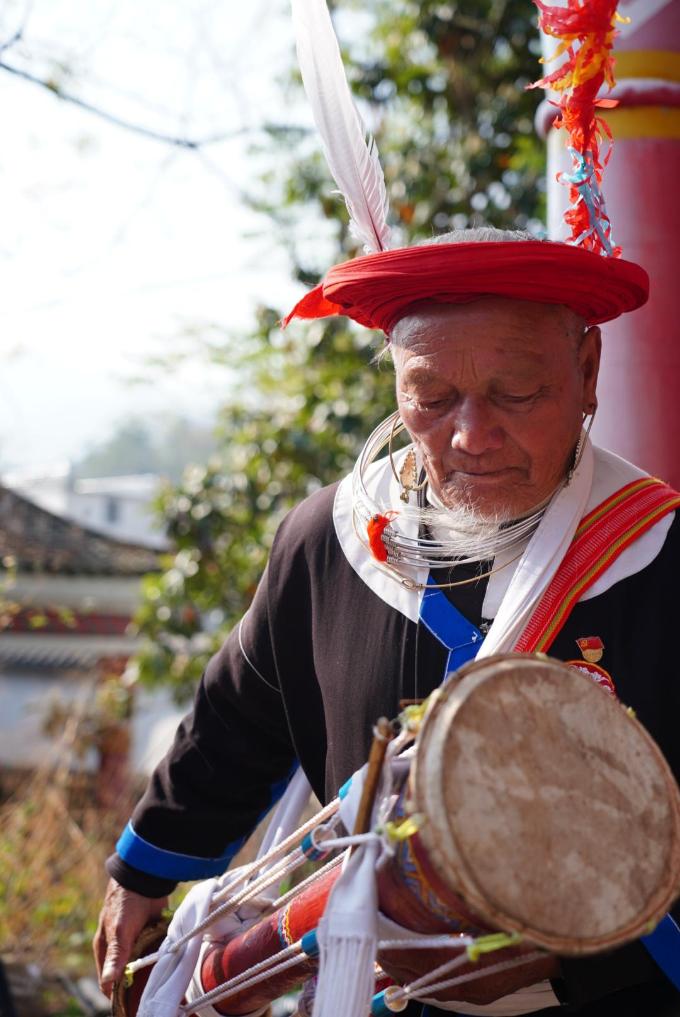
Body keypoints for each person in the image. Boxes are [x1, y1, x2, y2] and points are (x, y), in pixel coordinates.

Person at [94, 227, 680, 1017]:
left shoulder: (659, 554)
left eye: (516, 393)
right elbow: (238, 716)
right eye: (430, 398)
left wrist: (578, 954)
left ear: (587, 371)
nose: (470, 435)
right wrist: (141, 872)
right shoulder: (332, 538)